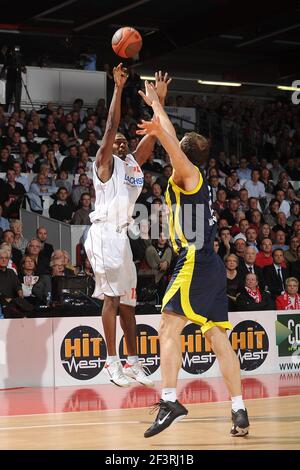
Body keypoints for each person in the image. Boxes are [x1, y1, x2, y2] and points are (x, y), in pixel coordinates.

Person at [136, 81, 249, 438]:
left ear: (183, 155)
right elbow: (172, 138)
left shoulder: (187, 174)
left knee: (169, 324)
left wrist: (158, 123)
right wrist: (159, 104)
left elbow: (171, 145)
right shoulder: (196, 173)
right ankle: (239, 409)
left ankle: (170, 400)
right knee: (218, 337)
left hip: (194, 260)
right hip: (211, 265)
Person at [84, 65, 171, 388]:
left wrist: (159, 102)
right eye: (115, 142)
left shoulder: (133, 162)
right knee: (110, 299)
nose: (119, 144)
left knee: (129, 303)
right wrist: (118, 88)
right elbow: (110, 126)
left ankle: (133, 361)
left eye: (123, 142)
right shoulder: (103, 164)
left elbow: (153, 134)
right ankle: (111, 362)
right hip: (104, 231)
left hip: (121, 235)